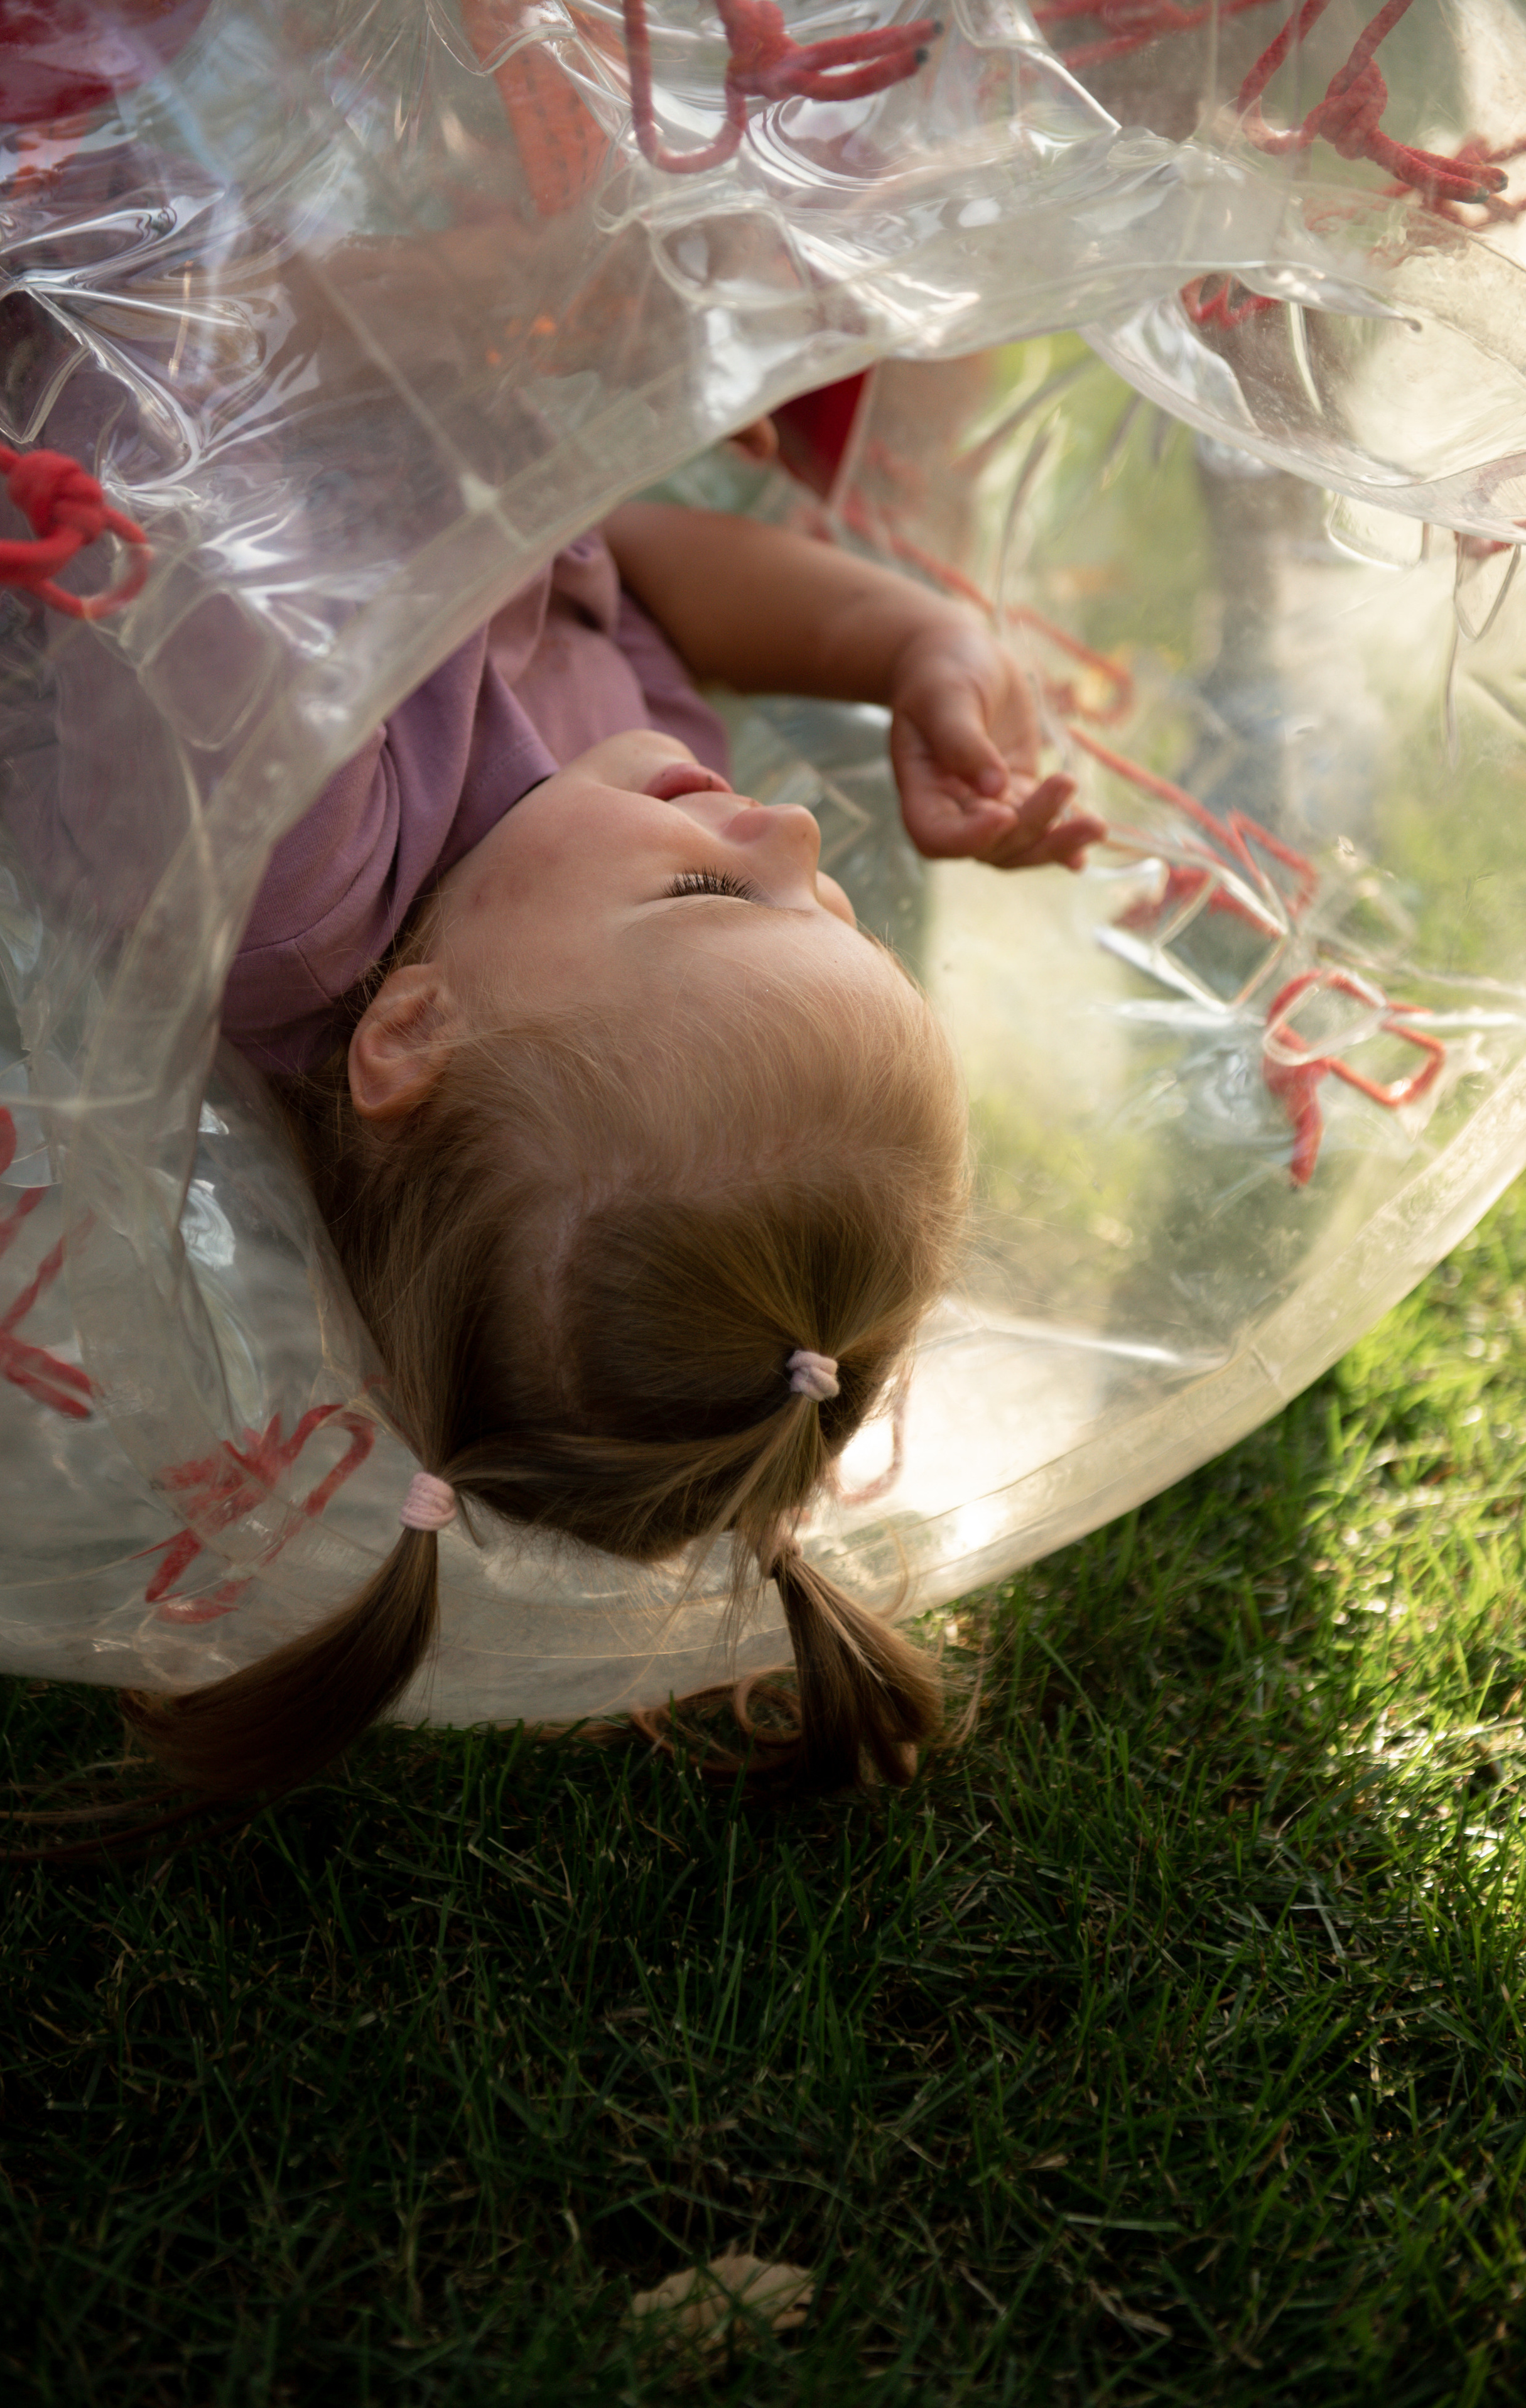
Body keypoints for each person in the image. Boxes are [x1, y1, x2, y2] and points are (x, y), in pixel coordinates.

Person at [122, 501, 1103, 1801]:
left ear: (414, 1032)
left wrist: (512, 385)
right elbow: (617, 559)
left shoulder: (293, 874)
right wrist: (908, 641)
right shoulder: (634, 808)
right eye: (828, 905)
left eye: (712, 895)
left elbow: (236, 481)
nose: (793, 830)